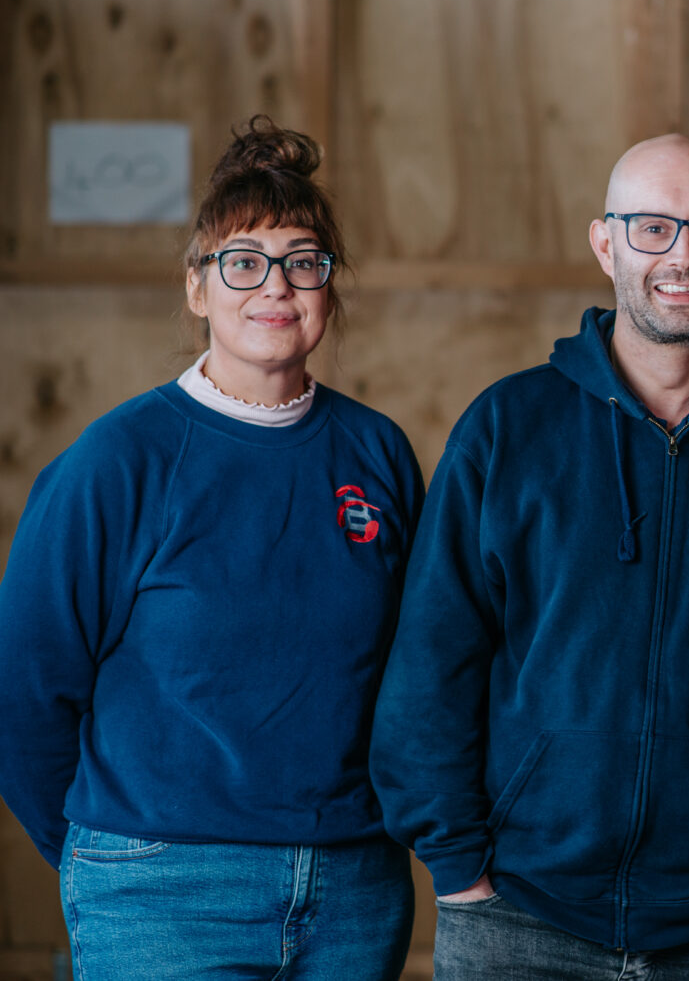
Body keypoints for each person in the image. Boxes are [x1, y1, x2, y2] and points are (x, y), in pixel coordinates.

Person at [370, 133, 689, 979]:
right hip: (516, 921)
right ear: (605, 242)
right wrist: (461, 875)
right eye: (652, 228)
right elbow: (432, 667)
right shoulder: (507, 430)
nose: (681, 255)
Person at [0, 116, 423, 978]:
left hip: (353, 889)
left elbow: (419, 668)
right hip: (162, 891)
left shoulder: (376, 454)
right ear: (199, 287)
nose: (276, 286)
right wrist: (105, 855)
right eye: (243, 262)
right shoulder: (117, 463)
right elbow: (23, 690)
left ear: (328, 289)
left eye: (303, 262)